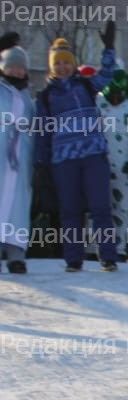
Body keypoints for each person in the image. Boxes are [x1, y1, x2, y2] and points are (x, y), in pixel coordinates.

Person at [34, 26, 120, 272]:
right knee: (70, 210)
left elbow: (108, 75)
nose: (62, 67)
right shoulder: (46, 96)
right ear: (52, 67)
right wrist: (41, 163)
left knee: (100, 207)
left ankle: (109, 256)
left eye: (66, 63)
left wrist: (109, 49)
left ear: (73, 64)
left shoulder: (86, 85)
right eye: (57, 64)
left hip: (93, 155)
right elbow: (43, 131)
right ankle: (73, 258)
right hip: (64, 160)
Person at [96, 70, 128, 261]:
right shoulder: (97, 103)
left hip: (124, 166)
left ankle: (120, 247)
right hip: (98, 163)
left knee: (123, 206)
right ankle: (97, 247)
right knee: (99, 207)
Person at [0, 45, 35, 273]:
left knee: (19, 205)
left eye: (20, 67)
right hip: (2, 152)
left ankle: (16, 255)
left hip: (21, 157)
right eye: (11, 66)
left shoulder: (27, 96)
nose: (16, 71)